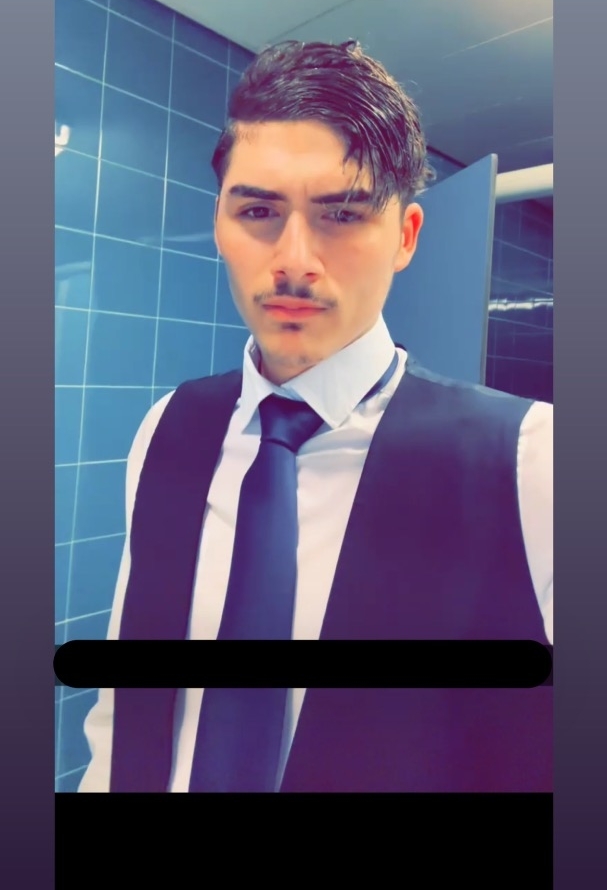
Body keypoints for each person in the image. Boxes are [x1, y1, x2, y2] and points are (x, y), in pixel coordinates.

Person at [78, 40, 552, 793]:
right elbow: (123, 703)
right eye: (259, 211)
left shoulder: (533, 463)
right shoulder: (167, 428)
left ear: (405, 237)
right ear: (220, 221)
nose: (294, 258)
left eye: (341, 214)